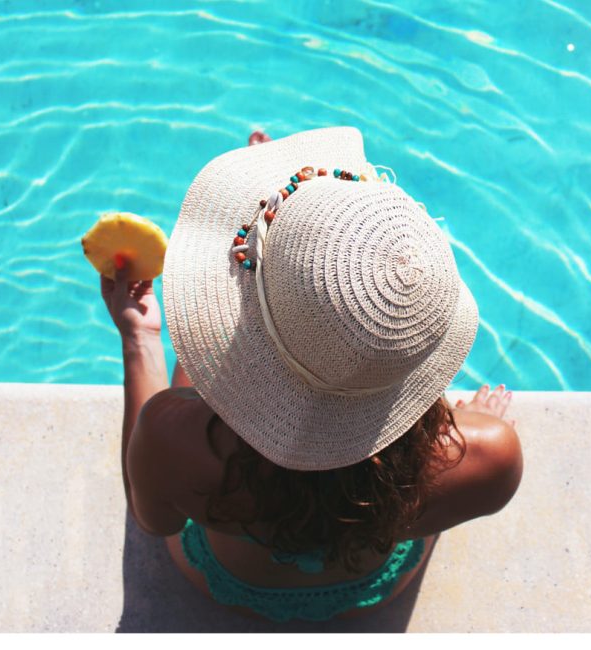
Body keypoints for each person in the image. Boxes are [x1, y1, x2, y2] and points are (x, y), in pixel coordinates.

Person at [100, 127, 522, 623]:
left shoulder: (173, 437)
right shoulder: (489, 456)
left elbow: (154, 520)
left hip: (227, 580)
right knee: (369, 375)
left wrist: (140, 338)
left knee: (201, 363)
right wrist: (462, 429)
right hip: (372, 585)